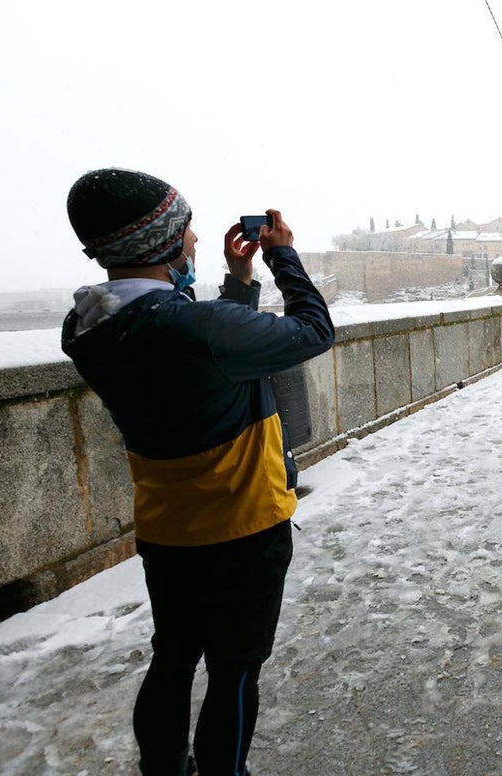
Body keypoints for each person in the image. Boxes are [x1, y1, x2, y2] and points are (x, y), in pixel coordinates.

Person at [61, 168, 335, 776]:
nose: (193, 241)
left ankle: (163, 769)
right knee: (235, 671)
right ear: (158, 243)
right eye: (184, 231)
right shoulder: (196, 326)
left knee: (174, 657)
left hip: (168, 529)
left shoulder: (88, 327)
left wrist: (238, 288)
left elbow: (203, 363)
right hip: (243, 526)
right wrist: (283, 258)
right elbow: (315, 331)